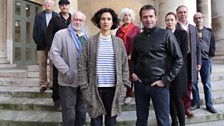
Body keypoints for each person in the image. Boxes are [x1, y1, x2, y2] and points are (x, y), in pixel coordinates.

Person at [131, 5, 183, 126]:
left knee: (163, 121)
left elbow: (179, 59)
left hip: (159, 86)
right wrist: (133, 73)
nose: (148, 19)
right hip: (141, 85)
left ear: (155, 18)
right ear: (141, 19)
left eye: (151, 16)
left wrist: (165, 80)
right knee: (141, 120)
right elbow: (133, 59)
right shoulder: (137, 38)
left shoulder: (166, 35)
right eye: (145, 17)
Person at [78, 8, 130, 126]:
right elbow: (82, 65)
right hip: (94, 88)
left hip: (114, 89)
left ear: (113, 22)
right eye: (103, 19)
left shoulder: (119, 42)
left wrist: (125, 86)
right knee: (95, 122)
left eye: (109, 19)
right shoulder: (90, 41)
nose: (106, 21)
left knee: (111, 122)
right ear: (98, 21)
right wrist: (84, 87)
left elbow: (124, 66)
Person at [49, 11, 87, 126]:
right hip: (68, 78)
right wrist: (66, 71)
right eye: (75, 19)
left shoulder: (86, 35)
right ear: (71, 20)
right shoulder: (61, 34)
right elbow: (54, 54)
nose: (78, 22)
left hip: (83, 79)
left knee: (82, 108)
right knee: (69, 109)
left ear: (83, 22)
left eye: (80, 20)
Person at [176, 5, 201, 117]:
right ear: (177, 14)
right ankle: (178, 107)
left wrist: (199, 62)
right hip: (179, 59)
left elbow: (198, 47)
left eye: (184, 12)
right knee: (180, 84)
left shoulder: (192, 28)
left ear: (187, 13)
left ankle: (187, 107)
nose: (183, 14)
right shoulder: (174, 26)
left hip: (191, 59)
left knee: (190, 83)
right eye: (180, 12)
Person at [46, 0, 71, 107]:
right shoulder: (55, 19)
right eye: (62, 5)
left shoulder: (73, 19)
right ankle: (57, 98)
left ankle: (69, 97)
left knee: (70, 74)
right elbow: (49, 35)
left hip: (71, 52)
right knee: (57, 75)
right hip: (59, 53)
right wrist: (52, 51)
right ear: (59, 7)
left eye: (66, 5)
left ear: (69, 6)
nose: (64, 7)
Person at [165, 12, 188, 126]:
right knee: (169, 98)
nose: (169, 22)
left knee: (178, 98)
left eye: (171, 20)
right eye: (167, 20)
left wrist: (175, 65)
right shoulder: (162, 34)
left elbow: (184, 53)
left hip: (179, 71)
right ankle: (174, 121)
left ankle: (182, 123)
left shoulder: (182, 34)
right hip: (166, 71)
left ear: (175, 21)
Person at [191, 12, 217, 113]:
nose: (198, 20)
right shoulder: (191, 31)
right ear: (194, 20)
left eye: (200, 18)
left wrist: (210, 56)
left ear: (203, 19)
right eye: (196, 18)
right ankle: (196, 103)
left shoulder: (209, 31)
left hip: (206, 60)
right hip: (193, 61)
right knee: (193, 83)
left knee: (206, 84)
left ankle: (209, 105)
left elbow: (212, 45)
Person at [116, 8, 140, 104]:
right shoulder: (119, 30)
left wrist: (133, 53)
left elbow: (139, 43)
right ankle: (121, 94)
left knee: (130, 75)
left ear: (132, 17)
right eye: (125, 15)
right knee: (121, 75)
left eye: (129, 15)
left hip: (132, 57)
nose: (127, 17)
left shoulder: (136, 29)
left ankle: (129, 95)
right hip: (121, 56)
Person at [32, 0, 57, 93]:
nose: (48, 5)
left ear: (53, 5)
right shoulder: (38, 16)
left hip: (53, 45)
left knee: (53, 64)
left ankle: (52, 83)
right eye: (46, 4)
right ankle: (43, 84)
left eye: (50, 4)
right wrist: (37, 41)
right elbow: (35, 31)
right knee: (42, 64)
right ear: (44, 5)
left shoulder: (57, 16)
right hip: (41, 45)